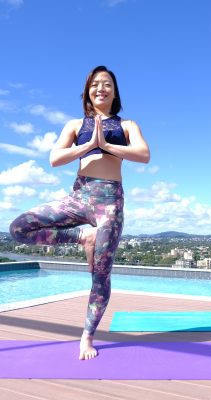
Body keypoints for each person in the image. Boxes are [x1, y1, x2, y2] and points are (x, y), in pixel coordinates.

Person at [9, 65, 150, 359]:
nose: (101, 88)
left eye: (107, 84)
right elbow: (54, 159)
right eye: (95, 84)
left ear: (114, 91)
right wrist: (88, 145)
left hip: (110, 200)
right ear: (87, 92)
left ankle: (87, 336)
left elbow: (144, 155)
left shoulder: (127, 125)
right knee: (18, 229)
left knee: (101, 274)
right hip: (79, 195)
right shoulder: (75, 125)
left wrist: (106, 145)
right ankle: (82, 237)